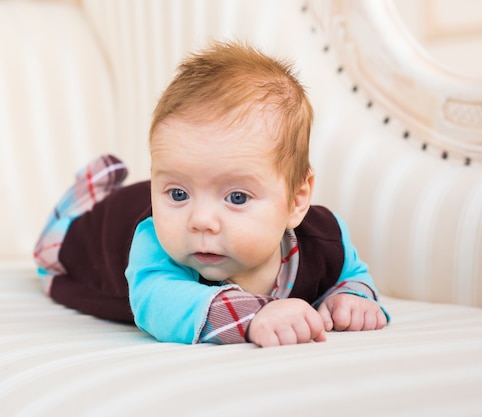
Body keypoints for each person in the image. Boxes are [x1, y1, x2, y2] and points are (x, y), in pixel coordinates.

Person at [34, 41, 389, 347]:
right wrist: (257, 315)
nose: (201, 220)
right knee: (52, 250)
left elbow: (350, 272)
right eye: (177, 193)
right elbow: (158, 303)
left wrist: (351, 297)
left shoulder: (324, 237)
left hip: (142, 201)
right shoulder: (154, 244)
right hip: (99, 231)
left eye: (236, 197)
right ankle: (86, 192)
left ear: (296, 200)